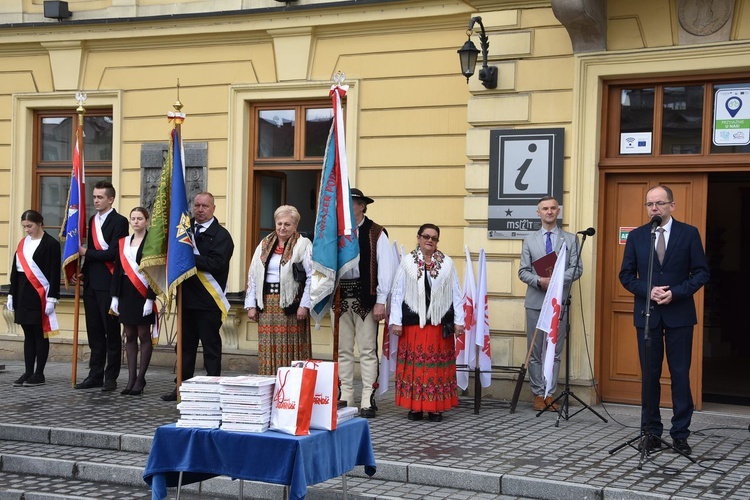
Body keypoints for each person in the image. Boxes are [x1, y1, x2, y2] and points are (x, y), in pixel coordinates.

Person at [619, 185, 709, 455]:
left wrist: (676, 293)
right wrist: (649, 290)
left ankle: (680, 434)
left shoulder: (689, 234)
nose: (654, 209)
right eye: (649, 204)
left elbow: (701, 273)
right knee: (650, 376)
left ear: (672, 205)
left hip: (679, 315)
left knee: (680, 376)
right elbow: (626, 276)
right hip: (648, 317)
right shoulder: (637, 236)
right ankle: (651, 432)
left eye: (659, 203)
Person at [161, 192, 234, 401]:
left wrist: (189, 258)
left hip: (209, 300)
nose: (200, 210)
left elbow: (216, 264)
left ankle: (213, 388)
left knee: (210, 347)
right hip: (186, 298)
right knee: (184, 347)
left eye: (205, 206)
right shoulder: (184, 230)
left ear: (213, 209)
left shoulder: (222, 235)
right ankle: (182, 388)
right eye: (197, 205)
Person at [389, 223, 465, 422]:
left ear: (437, 241)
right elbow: (398, 292)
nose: (430, 240)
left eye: (434, 238)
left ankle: (435, 408)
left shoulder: (447, 263)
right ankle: (415, 407)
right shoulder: (407, 262)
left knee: (436, 366)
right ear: (419, 238)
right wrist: (396, 321)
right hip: (414, 324)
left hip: (439, 324)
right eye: (426, 236)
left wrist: (459, 321)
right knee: (414, 366)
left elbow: (456, 292)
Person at [518, 196, 582, 411]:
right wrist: (539, 281)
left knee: (554, 350)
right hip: (536, 302)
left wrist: (556, 281)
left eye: (553, 208)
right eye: (545, 208)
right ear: (539, 213)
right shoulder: (529, 240)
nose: (549, 212)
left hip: (558, 303)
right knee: (535, 350)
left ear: (558, 211)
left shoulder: (571, 239)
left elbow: (577, 269)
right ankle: (537, 393)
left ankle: (550, 393)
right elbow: (523, 272)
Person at [335, 188, 393, 418]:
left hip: (366, 298)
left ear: (362, 206)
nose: (349, 207)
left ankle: (368, 397)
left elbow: (386, 269)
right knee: (343, 350)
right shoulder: (336, 233)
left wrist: (381, 300)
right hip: (340, 298)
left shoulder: (376, 232)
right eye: (346, 203)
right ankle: (346, 395)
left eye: (354, 203)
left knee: (368, 350)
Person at [245, 205, 312, 376]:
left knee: (291, 351)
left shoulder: (303, 244)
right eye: (279, 223)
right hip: (267, 305)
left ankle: (292, 392)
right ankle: (270, 390)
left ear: (295, 225)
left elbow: (312, 276)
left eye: (287, 224)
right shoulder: (265, 243)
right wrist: (251, 304)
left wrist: (304, 305)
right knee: (268, 351)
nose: (282, 228)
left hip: (291, 305)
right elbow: (253, 274)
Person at [76, 181, 129, 391]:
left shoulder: (120, 221)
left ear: (111, 199)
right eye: (95, 197)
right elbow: (91, 251)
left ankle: (111, 377)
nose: (96, 200)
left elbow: (114, 253)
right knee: (94, 332)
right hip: (91, 284)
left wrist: (86, 253)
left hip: (109, 284)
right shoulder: (92, 219)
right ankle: (95, 374)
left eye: (100, 197)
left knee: (111, 332)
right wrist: (83, 270)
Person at [8, 210, 61, 387]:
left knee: (40, 333)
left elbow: (54, 272)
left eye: (29, 226)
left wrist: (53, 297)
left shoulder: (51, 243)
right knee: (28, 333)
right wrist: (11, 292)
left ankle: (39, 374)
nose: (27, 230)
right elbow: (15, 270)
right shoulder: (23, 243)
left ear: (39, 223)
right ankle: (28, 371)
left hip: (39, 293)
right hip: (22, 290)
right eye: (24, 227)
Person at [110, 207, 157, 396]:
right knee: (129, 334)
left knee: (143, 334)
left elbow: (154, 272)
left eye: (139, 218)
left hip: (143, 292)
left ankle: (140, 378)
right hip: (126, 293)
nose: (136, 221)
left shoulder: (152, 243)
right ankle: (130, 379)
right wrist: (114, 297)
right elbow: (117, 270)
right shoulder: (123, 243)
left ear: (147, 221)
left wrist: (150, 298)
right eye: (133, 218)